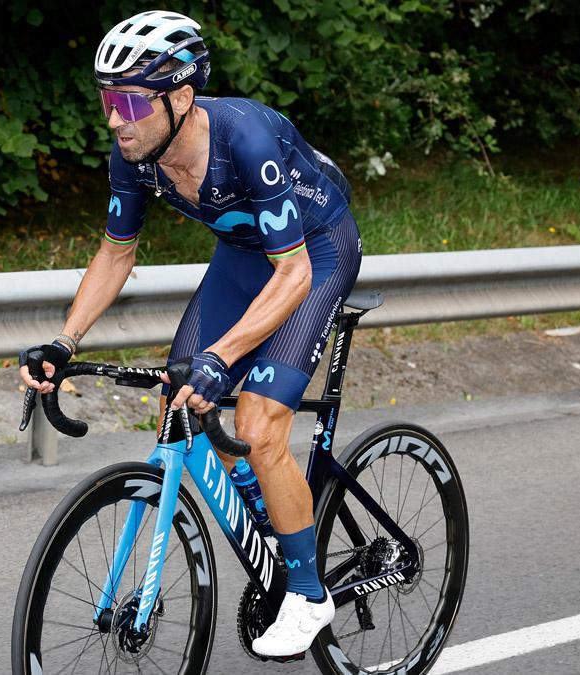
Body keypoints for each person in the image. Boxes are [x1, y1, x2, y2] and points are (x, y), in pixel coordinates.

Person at [18, 10, 361, 657]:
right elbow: (117, 252)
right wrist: (66, 342)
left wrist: (223, 356)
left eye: (127, 101)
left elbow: (292, 276)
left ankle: (309, 592)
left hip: (314, 252)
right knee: (181, 399)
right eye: (105, 100)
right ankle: (271, 516)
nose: (114, 118)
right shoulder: (137, 155)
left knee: (259, 424)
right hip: (243, 251)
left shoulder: (246, 140)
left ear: (180, 97)